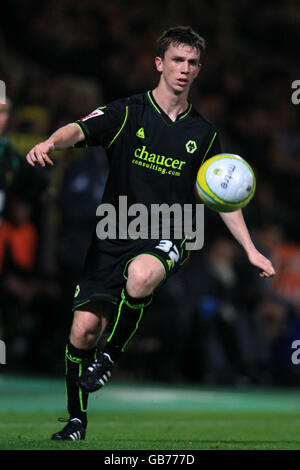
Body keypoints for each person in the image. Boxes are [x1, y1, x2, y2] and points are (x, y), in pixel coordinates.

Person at [26, 26, 275, 441]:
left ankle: (109, 358)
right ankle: (76, 420)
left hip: (172, 233)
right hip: (114, 232)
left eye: (193, 63)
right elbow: (78, 128)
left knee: (141, 276)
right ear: (159, 63)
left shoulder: (205, 134)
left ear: (199, 71)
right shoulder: (128, 113)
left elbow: (223, 196)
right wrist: (50, 142)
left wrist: (249, 248)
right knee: (82, 330)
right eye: (177, 60)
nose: (185, 69)